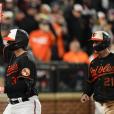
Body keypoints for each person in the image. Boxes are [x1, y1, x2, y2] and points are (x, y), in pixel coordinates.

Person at [0, 28, 41, 114]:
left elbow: (23, 85)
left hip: (26, 105)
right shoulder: (14, 56)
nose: (8, 43)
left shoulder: (27, 59)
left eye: (10, 41)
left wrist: (4, 89)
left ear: (18, 42)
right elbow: (1, 47)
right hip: (12, 105)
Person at [81, 30, 114, 114]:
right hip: (98, 103)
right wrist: (86, 93)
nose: (94, 44)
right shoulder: (93, 63)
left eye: (97, 42)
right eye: (94, 42)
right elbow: (91, 81)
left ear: (105, 42)